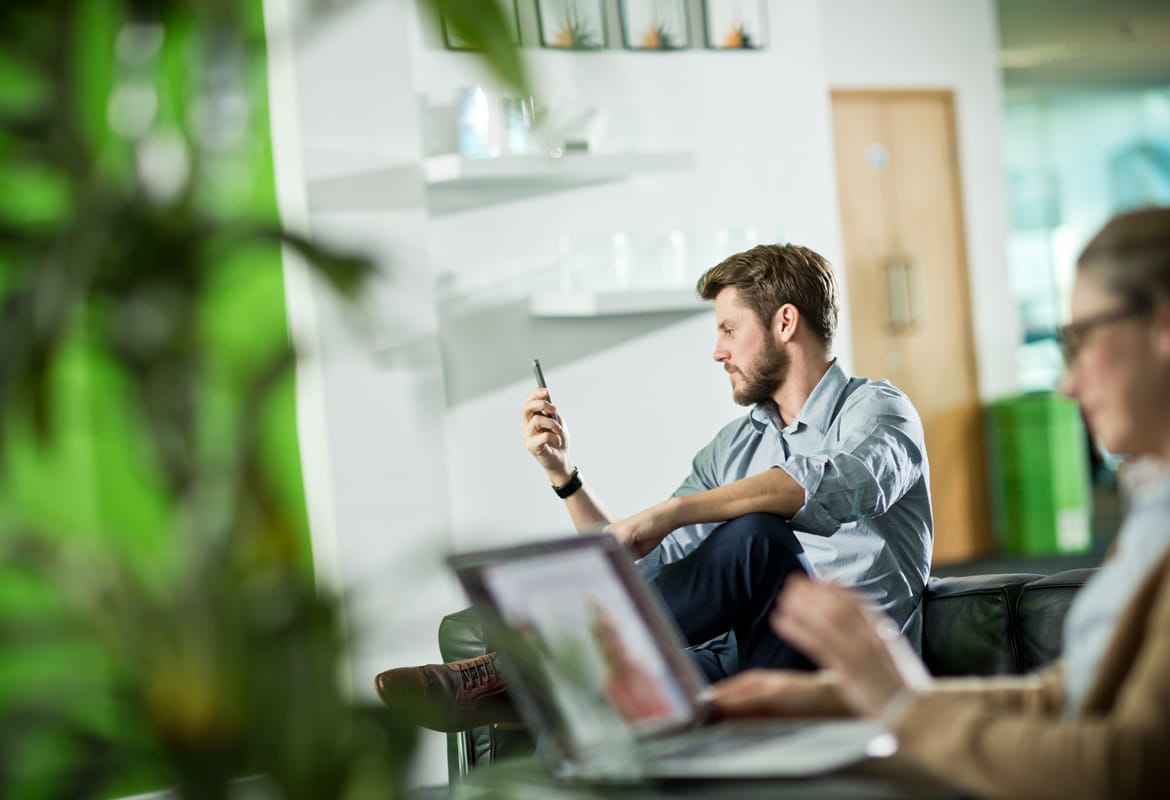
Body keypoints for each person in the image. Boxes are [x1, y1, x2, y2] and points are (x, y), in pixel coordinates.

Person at [710, 208, 1170, 800]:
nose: (1068, 383)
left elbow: (1124, 769)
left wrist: (900, 707)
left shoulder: (877, 409)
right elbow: (1059, 699)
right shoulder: (1153, 512)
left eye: (1080, 341)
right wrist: (829, 696)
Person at [376, 243, 934, 730]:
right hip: (733, 659)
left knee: (758, 536)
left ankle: (521, 670)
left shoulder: (880, 412)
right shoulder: (733, 446)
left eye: (729, 330)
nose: (718, 352)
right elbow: (645, 566)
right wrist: (564, 477)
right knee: (596, 696)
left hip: (842, 671)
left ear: (785, 323)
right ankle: (545, 682)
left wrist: (675, 510)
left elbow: (834, 487)